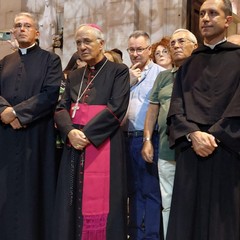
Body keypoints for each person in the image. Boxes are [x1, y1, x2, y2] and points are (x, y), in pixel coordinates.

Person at [166, 0, 240, 239]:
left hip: (228, 151)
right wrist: (193, 134)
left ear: (228, 20)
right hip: (192, 151)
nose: (205, 18)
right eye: (202, 14)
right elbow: (176, 107)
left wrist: (213, 135)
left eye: (213, 13)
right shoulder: (188, 65)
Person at [52, 23, 130, 240]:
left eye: (87, 41)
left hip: (102, 143)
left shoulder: (118, 71)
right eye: (78, 42)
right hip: (74, 145)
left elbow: (117, 108)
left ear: (102, 44)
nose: (82, 46)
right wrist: (69, 132)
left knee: (103, 200)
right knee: (71, 198)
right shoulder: (75, 75)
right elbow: (61, 107)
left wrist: (86, 135)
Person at [0, 12, 62, 240]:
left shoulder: (50, 60)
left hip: (36, 135)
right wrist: (4, 111)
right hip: (5, 136)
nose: (22, 29)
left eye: (27, 26)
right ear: (13, 32)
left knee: (34, 189)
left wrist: (16, 113)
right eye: (18, 25)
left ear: (37, 32)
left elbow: (51, 93)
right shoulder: (5, 62)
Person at [141, 29, 198, 239]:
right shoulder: (164, 77)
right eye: (172, 42)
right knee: (168, 203)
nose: (175, 46)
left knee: (194, 201)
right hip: (166, 149)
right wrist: (147, 140)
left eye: (181, 41)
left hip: (195, 150)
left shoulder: (203, 74)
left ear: (195, 46)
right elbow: (152, 111)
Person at [124, 30, 165, 240]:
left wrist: (148, 140)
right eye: (131, 49)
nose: (135, 53)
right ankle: (134, 234)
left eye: (140, 49)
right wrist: (128, 82)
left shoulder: (160, 73)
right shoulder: (123, 74)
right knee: (132, 190)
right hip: (126, 138)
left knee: (150, 190)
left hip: (149, 138)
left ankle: (151, 236)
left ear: (149, 49)